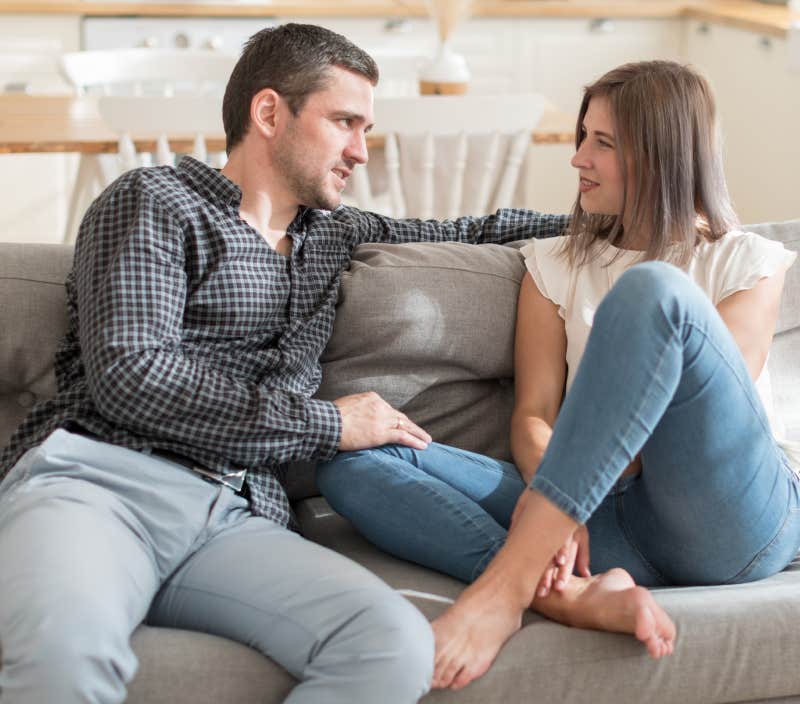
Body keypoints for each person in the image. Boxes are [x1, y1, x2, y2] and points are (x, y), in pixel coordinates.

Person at [0, 22, 573, 704]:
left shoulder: (335, 232)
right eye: (344, 123)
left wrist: (621, 215)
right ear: (270, 112)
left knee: (390, 643)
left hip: (233, 515)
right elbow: (132, 375)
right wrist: (328, 426)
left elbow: (472, 231)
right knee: (62, 657)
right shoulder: (153, 200)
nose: (362, 151)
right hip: (102, 483)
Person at [317, 60, 799, 690]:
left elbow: (688, 422)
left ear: (660, 154)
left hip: (727, 518)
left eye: (602, 142)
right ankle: (567, 594)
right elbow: (534, 416)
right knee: (351, 462)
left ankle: (507, 587)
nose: (577, 160)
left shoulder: (748, 262)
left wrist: (570, 487)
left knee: (653, 293)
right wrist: (562, 498)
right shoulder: (554, 264)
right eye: (581, 137)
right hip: (608, 530)